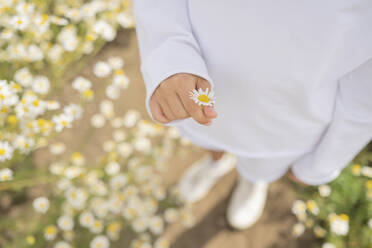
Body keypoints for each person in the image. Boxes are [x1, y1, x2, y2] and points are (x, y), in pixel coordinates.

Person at [133, 0, 372, 229]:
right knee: (209, 131)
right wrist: (170, 52)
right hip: (202, 78)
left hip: (289, 119)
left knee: (261, 162)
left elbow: (364, 96)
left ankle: (252, 180)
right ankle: (215, 162)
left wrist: (323, 163)